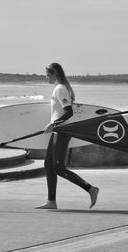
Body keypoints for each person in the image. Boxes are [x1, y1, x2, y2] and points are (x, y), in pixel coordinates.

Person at [35, 63, 99, 209]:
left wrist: (54, 123)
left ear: (54, 74)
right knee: (48, 165)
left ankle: (91, 189)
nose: (46, 78)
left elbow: (68, 112)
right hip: (58, 130)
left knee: (58, 168)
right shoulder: (59, 88)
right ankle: (51, 201)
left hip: (62, 131)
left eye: (47, 75)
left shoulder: (60, 89)